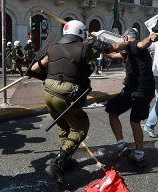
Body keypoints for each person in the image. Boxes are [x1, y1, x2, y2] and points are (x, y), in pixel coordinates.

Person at [30, 20, 130, 183]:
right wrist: (124, 42)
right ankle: (57, 164)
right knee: (80, 127)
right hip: (66, 93)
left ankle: (66, 160)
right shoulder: (86, 47)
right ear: (81, 33)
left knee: (64, 125)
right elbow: (114, 49)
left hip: (48, 91)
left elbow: (35, 69)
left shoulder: (53, 48)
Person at [105, 28, 158, 167]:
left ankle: (121, 144)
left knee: (112, 110)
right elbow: (111, 56)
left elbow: (142, 44)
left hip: (137, 91)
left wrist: (150, 38)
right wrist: (98, 45)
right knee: (134, 122)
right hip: (144, 91)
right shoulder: (130, 53)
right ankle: (138, 154)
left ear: (126, 38)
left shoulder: (134, 46)